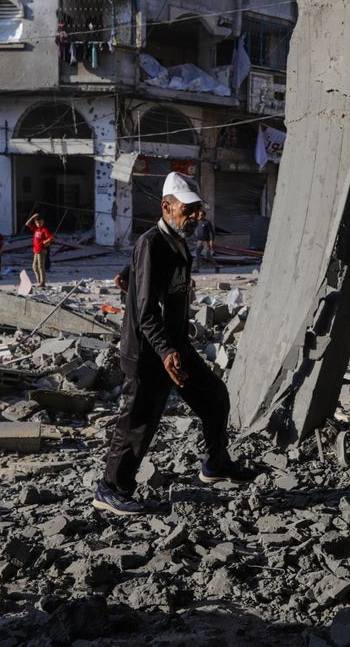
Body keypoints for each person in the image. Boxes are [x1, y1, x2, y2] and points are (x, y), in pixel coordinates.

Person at [94, 172, 257, 516]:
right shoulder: (152, 243)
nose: (198, 216)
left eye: (199, 209)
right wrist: (166, 350)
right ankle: (110, 488)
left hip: (173, 346)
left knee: (214, 396)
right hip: (148, 351)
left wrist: (130, 279)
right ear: (167, 206)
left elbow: (136, 274)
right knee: (138, 421)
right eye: (190, 209)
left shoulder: (175, 239)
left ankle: (215, 465)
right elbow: (146, 311)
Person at [25, 213, 54, 288]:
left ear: (43, 222)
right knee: (34, 267)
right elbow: (27, 224)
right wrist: (33, 217)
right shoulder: (36, 229)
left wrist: (46, 241)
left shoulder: (44, 230)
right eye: (37, 222)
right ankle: (38, 281)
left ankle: (42, 282)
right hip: (36, 250)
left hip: (42, 250)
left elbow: (51, 237)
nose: (38, 223)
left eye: (40, 222)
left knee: (41, 267)